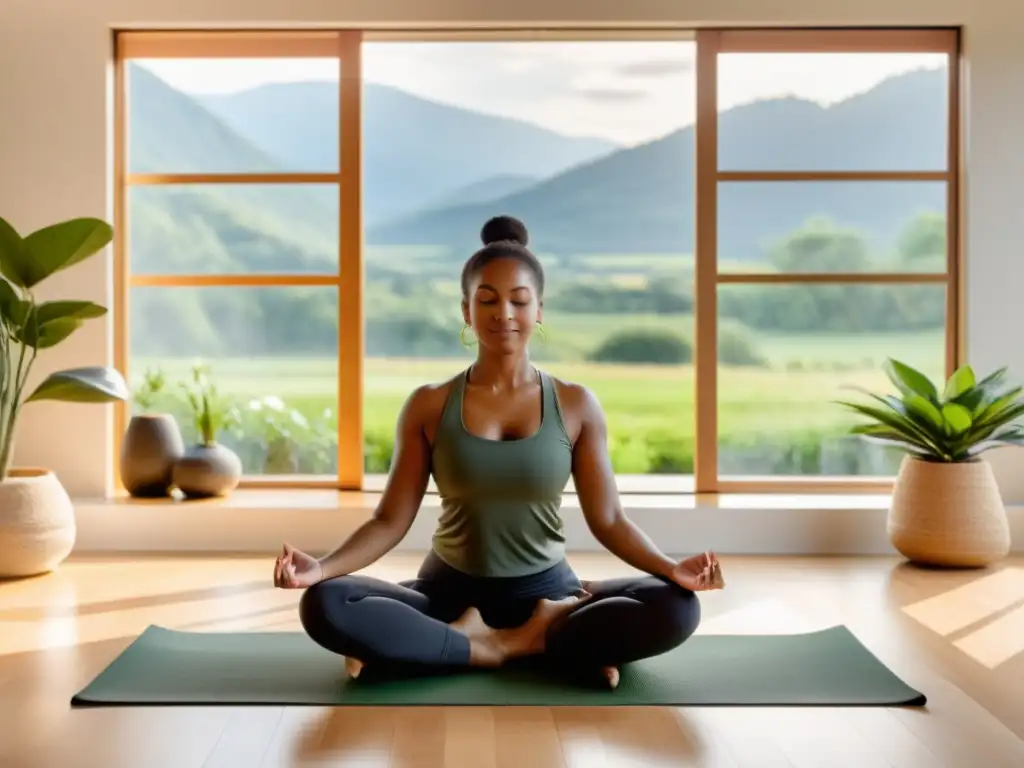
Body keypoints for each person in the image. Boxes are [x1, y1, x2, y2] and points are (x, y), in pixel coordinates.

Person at [273, 215, 724, 689]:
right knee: (325, 604)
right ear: (466, 312)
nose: (503, 313)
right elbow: (389, 521)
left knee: (676, 605)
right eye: (486, 300)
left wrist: (673, 568)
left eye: (519, 300)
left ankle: (459, 646)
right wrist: (320, 568)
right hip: (445, 594)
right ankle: (531, 646)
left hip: (549, 594)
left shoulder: (576, 404)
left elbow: (609, 520)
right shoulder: (429, 404)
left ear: (540, 310)